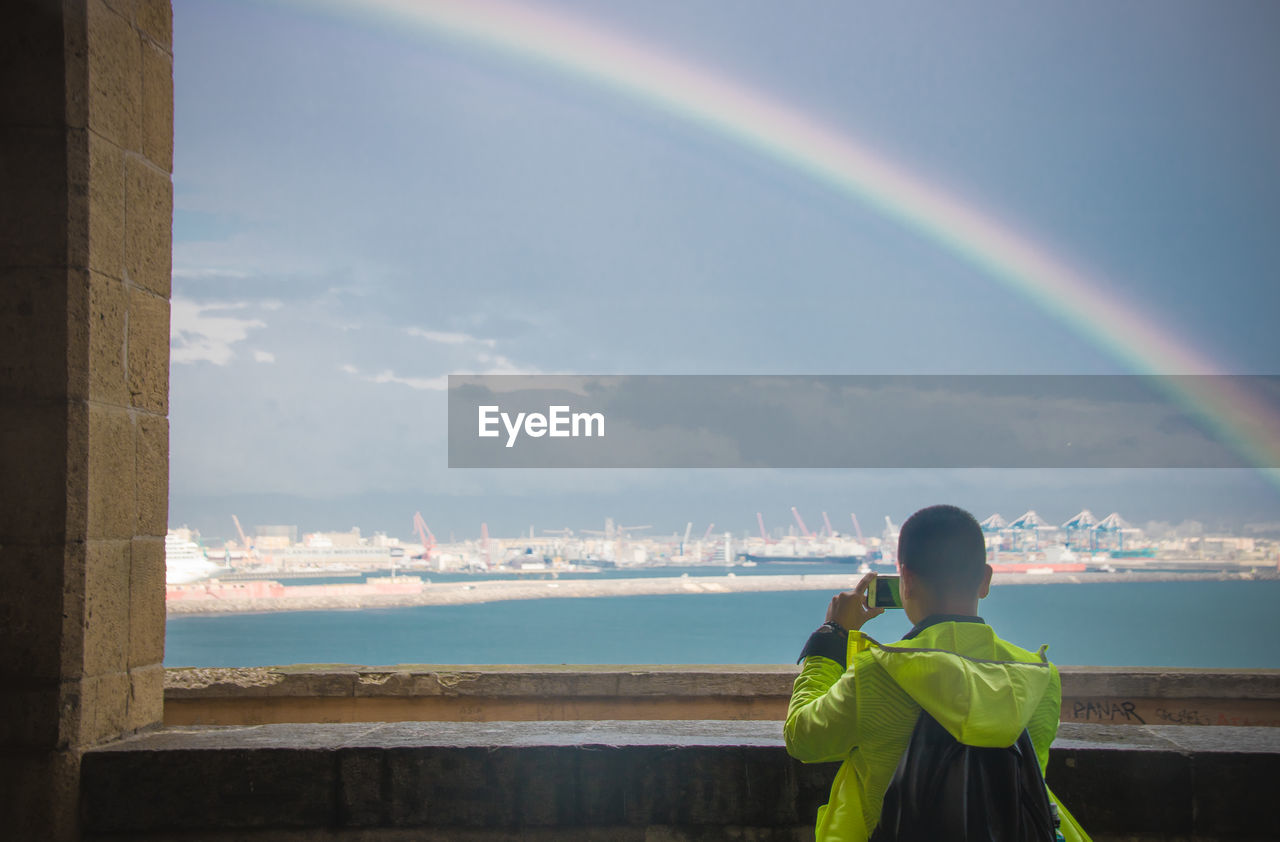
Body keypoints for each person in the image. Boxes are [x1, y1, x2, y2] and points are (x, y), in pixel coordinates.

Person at [785, 504, 1090, 841]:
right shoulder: (1038, 677)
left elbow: (802, 738)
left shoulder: (879, 673)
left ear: (908, 581)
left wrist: (831, 638)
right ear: (984, 580)